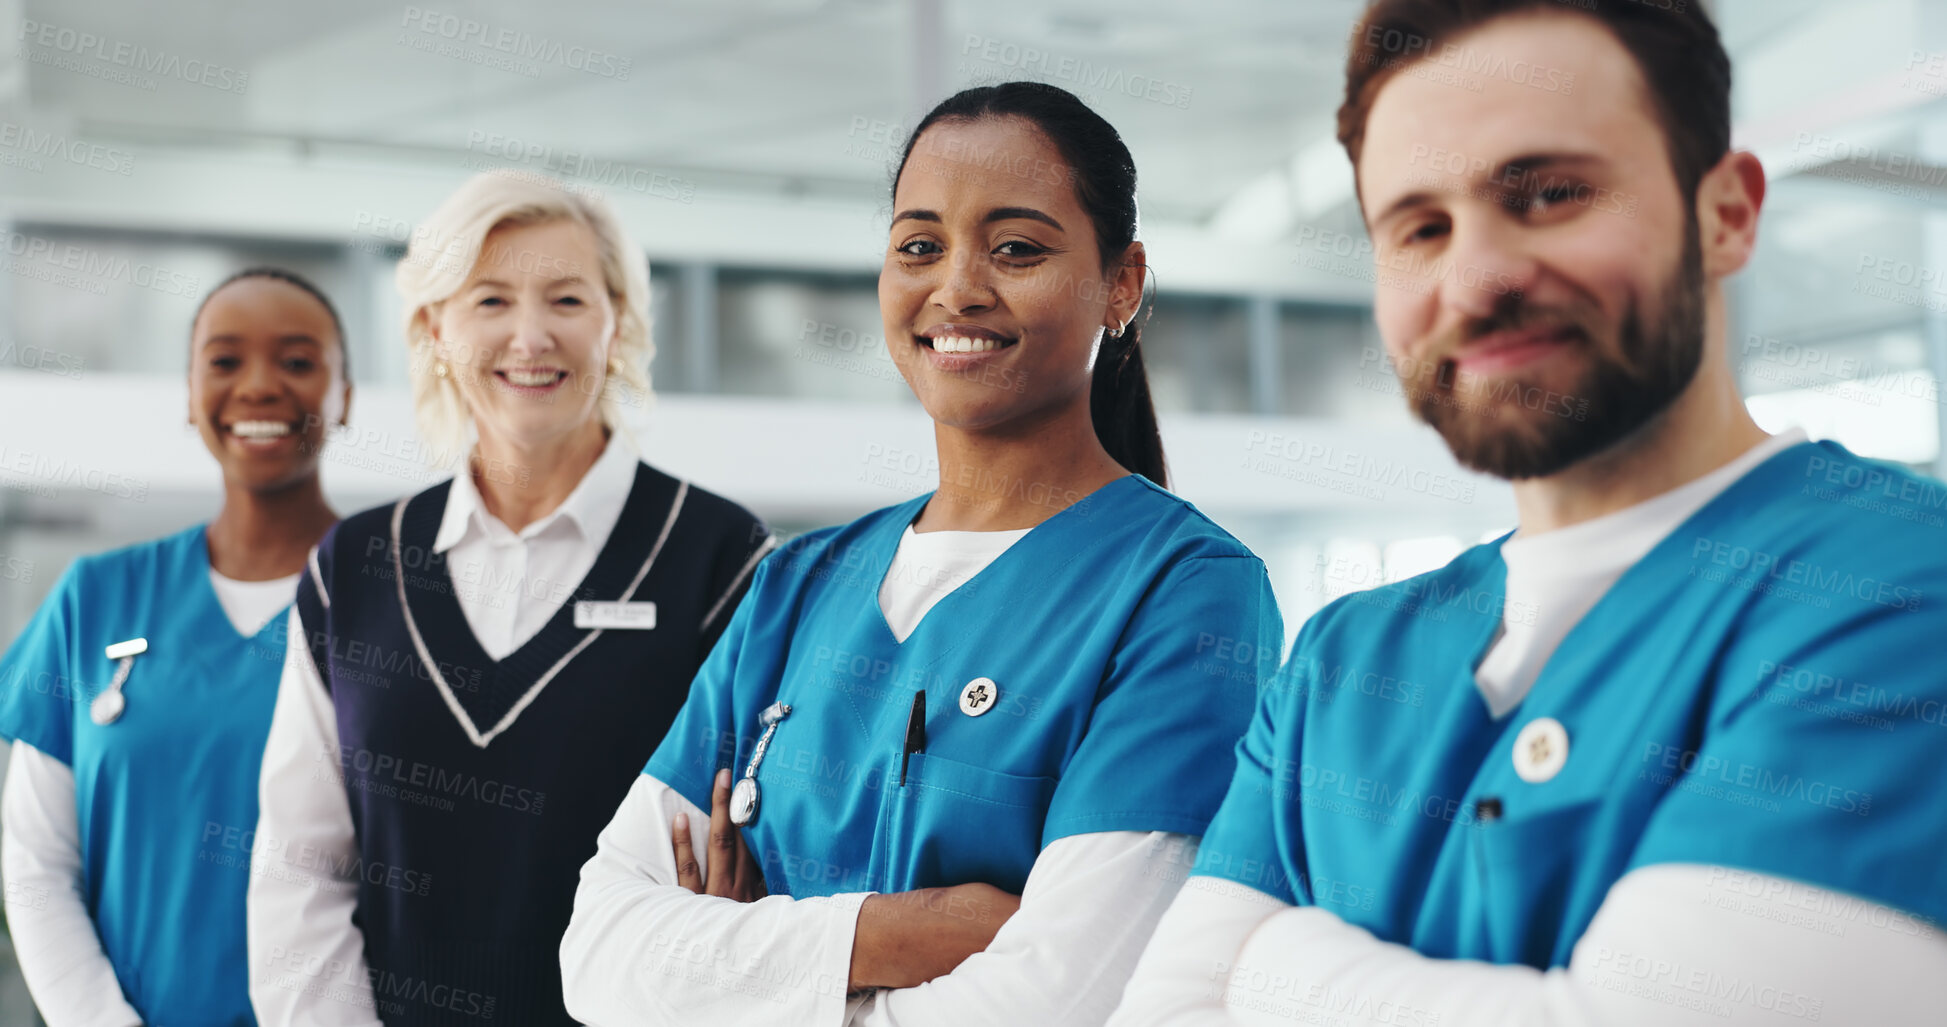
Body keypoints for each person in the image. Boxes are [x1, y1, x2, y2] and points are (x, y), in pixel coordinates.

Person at [1110, 3, 1947, 1025]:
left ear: (1725, 213)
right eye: (1420, 227)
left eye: (1550, 193)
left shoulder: (1902, 590)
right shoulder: (1335, 667)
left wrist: (1275, 967)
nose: (1478, 277)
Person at [558, 81, 1284, 1026]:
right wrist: (902, 933)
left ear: (1122, 282)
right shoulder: (797, 584)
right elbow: (599, 955)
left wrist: (744, 969)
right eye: (918, 246)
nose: (957, 287)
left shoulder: (1187, 595)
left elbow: (1058, 1002)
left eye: (1017, 247)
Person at [245, 171, 771, 1027]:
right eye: (490, 300)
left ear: (618, 323)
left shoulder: (724, 562)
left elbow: (747, 872)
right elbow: (302, 865)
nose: (531, 337)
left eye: (566, 298)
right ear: (434, 330)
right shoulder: (356, 566)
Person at [0, 268, 352, 1026]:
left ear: (346, 394)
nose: (259, 385)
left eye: (297, 361)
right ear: (189, 397)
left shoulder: (397, 602)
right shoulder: (97, 597)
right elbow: (35, 863)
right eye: (224, 361)